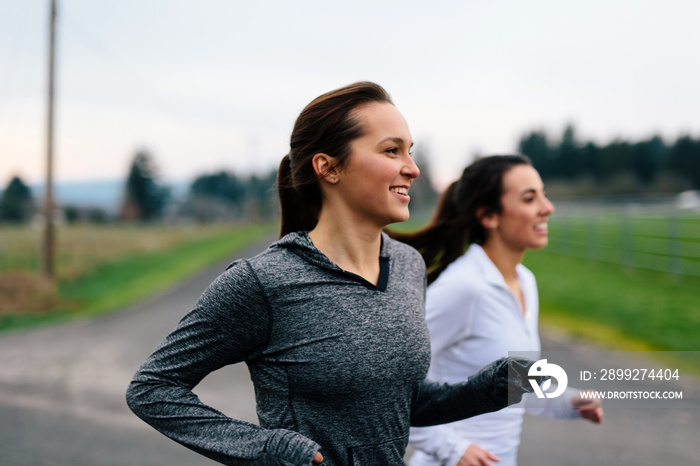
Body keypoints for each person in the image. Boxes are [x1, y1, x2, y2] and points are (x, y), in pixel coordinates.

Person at [125, 83, 540, 466]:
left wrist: (495, 386)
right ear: (328, 167)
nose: (412, 168)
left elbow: (399, 404)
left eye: (409, 151)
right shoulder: (263, 282)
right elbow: (153, 387)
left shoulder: (408, 267)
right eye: (391, 151)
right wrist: (270, 448)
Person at [390, 155, 603, 466]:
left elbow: (515, 384)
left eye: (543, 194)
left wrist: (571, 400)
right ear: (489, 215)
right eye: (530, 198)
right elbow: (390, 386)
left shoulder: (525, 282)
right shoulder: (465, 286)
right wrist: (453, 448)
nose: (547, 207)